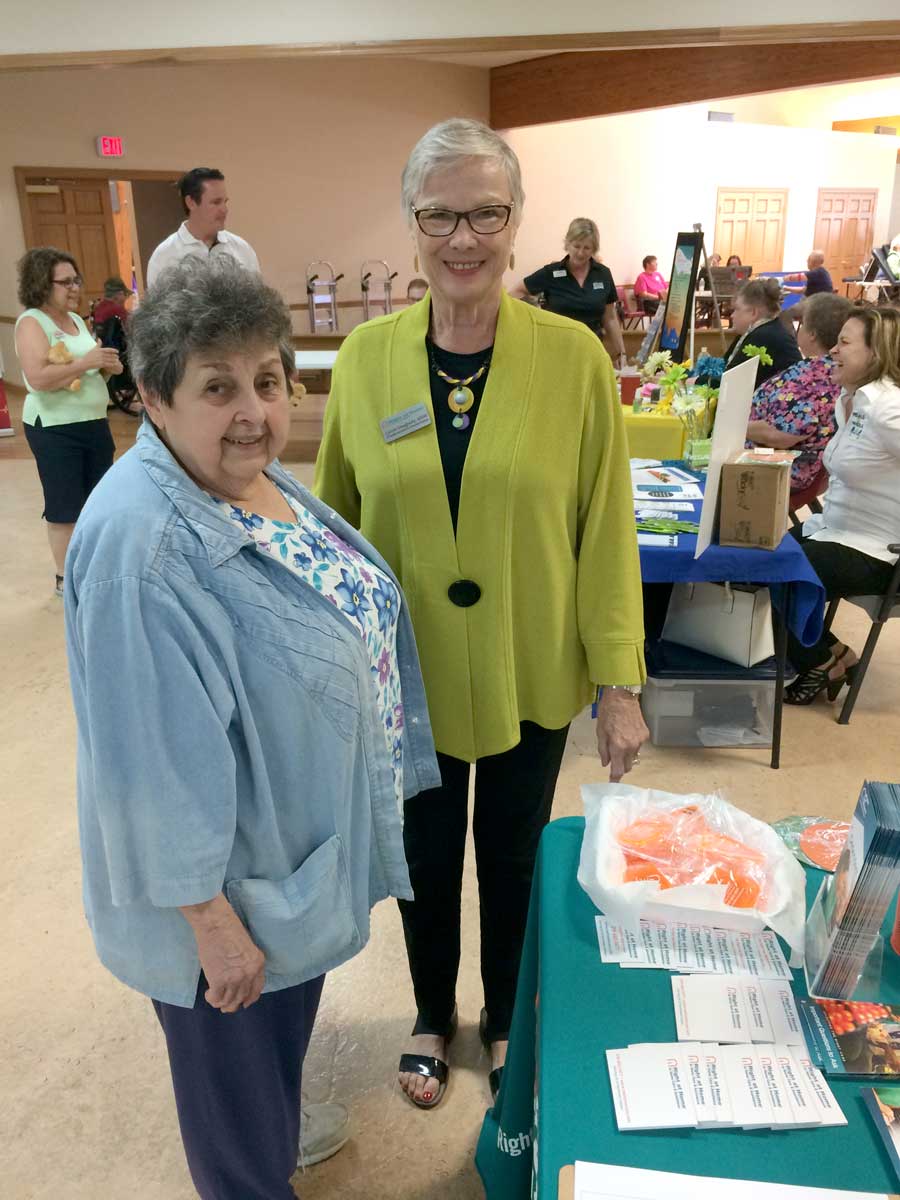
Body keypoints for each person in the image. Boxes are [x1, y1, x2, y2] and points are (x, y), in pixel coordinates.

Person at [64, 257, 440, 1199]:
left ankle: (274, 1125)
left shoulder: (244, 479)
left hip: (283, 861)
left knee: (272, 1046)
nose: (254, 413)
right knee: (231, 1101)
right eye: (218, 387)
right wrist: (210, 926)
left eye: (267, 382)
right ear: (152, 395)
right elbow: (147, 768)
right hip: (218, 903)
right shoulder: (142, 548)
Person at [315, 118, 647, 1111]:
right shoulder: (367, 362)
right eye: (440, 214)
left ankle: (505, 1015)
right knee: (422, 859)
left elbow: (605, 529)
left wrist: (619, 684)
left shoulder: (575, 360)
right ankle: (429, 1011)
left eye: (486, 213)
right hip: (404, 674)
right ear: (413, 225)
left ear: (518, 223)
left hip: (529, 661)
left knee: (509, 854)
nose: (464, 237)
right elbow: (332, 527)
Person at [785, 306, 900, 704]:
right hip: (835, 529)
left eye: (845, 343)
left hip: (877, 550)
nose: (833, 349)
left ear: (876, 353)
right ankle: (836, 655)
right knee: (755, 559)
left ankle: (818, 661)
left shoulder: (889, 408)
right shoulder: (850, 400)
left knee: (782, 573)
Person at [14, 247, 122, 596]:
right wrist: (86, 361)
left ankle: (94, 566)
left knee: (97, 501)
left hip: (93, 421)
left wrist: (106, 369)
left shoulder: (76, 322)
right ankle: (65, 578)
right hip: (55, 429)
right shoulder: (31, 322)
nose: (74, 288)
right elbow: (38, 379)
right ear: (42, 284)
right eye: (65, 282)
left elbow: (85, 375)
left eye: (76, 280)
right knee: (65, 506)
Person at [746, 293, 853, 491]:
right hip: (807, 468)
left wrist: (731, 427)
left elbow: (779, 434)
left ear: (812, 333)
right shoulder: (836, 369)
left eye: (802, 324)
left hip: (784, 469)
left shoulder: (811, 378)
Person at [510, 216, 627, 368]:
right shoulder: (551, 273)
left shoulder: (603, 274)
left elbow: (610, 318)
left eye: (587, 248)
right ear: (567, 243)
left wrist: (621, 353)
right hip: (556, 352)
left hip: (592, 351)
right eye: (576, 246)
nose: (580, 253)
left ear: (594, 249)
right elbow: (515, 292)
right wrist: (531, 316)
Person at [146, 167, 259, 286]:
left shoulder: (242, 249)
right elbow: (158, 305)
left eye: (225, 202)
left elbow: (258, 301)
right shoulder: (164, 256)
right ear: (191, 202)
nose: (225, 210)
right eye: (216, 202)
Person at [719, 278, 801, 387]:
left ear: (753, 312)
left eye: (737, 309)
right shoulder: (763, 330)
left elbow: (730, 381)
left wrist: (696, 380)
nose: (732, 315)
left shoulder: (764, 336)